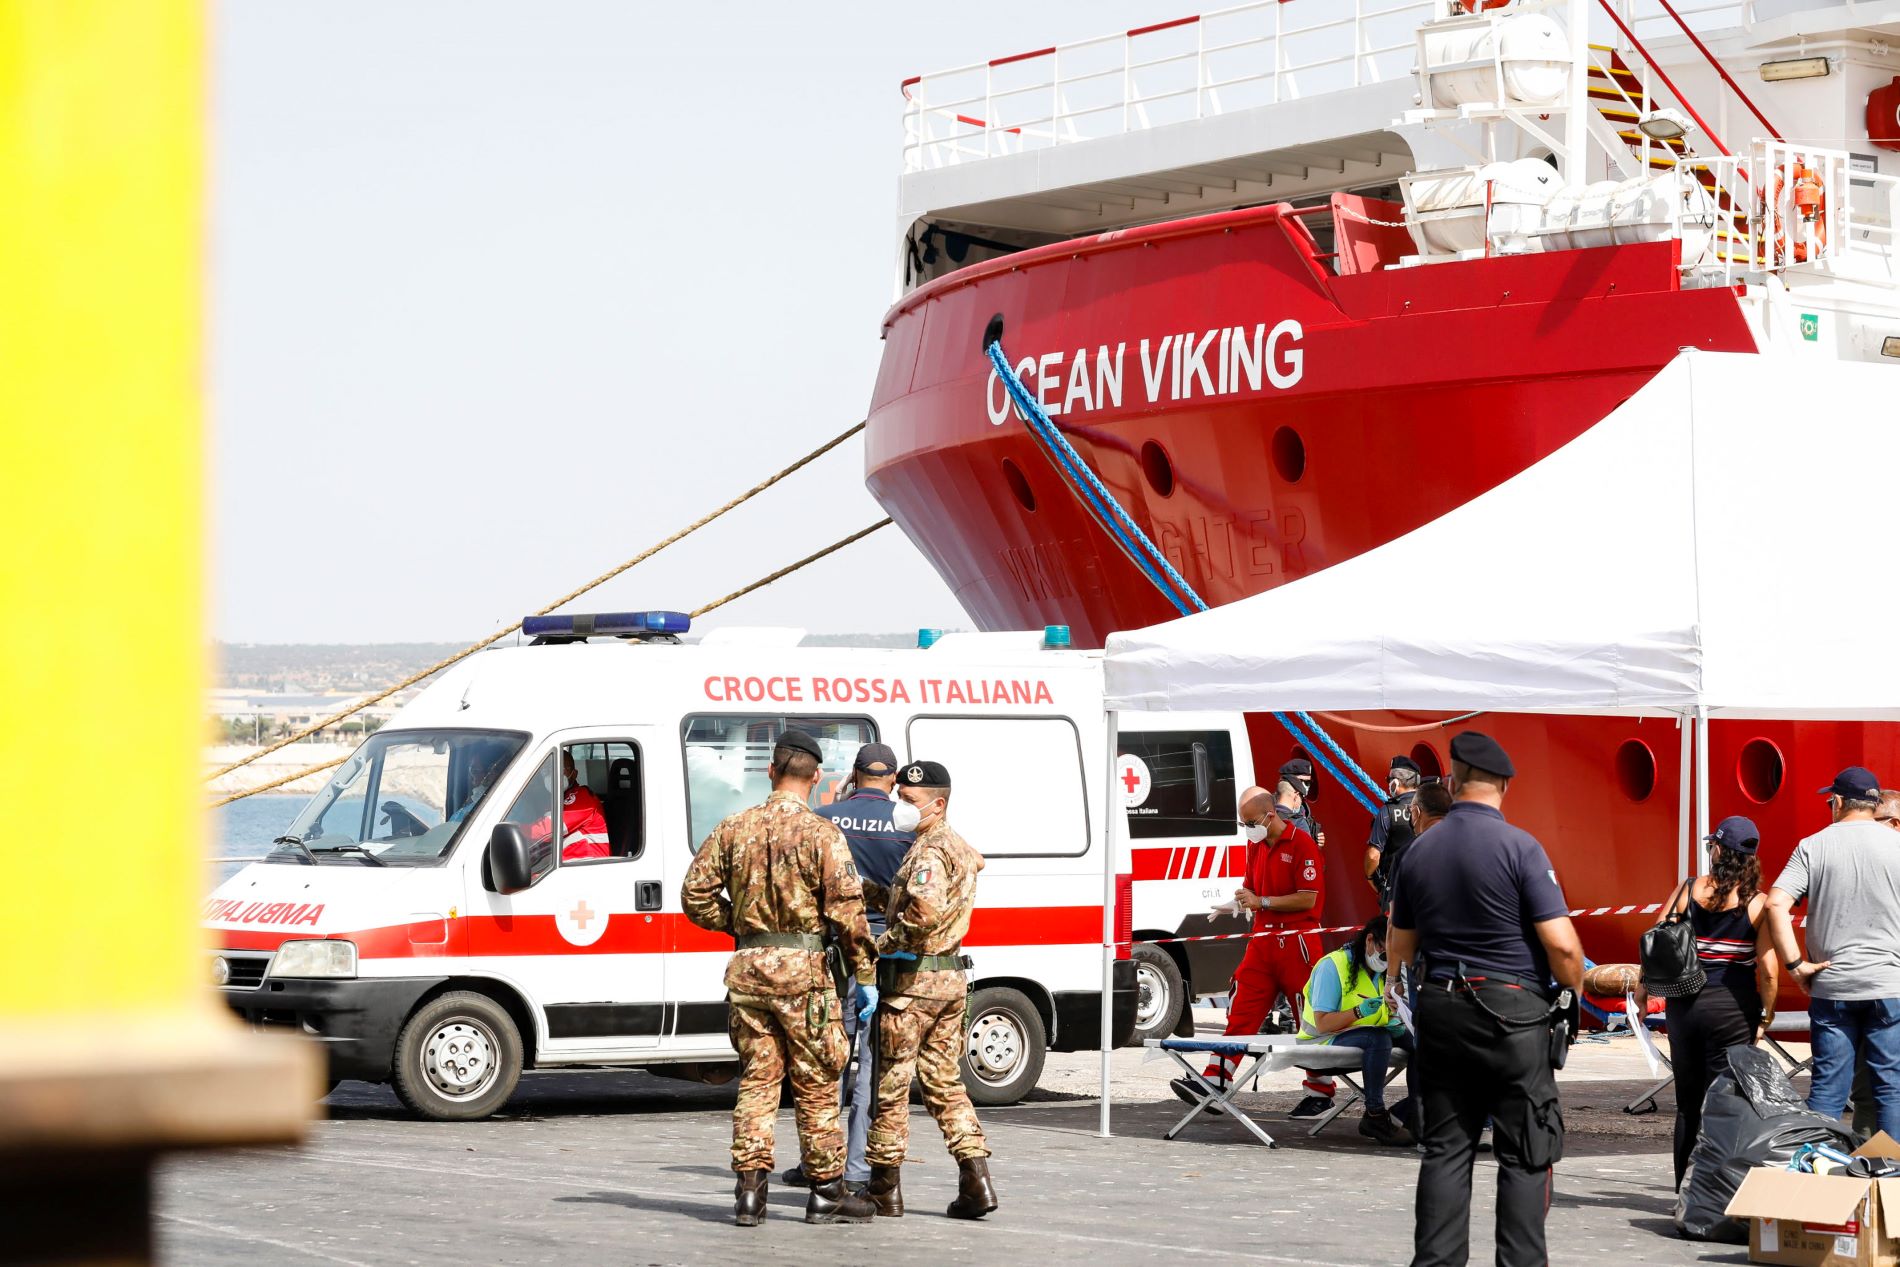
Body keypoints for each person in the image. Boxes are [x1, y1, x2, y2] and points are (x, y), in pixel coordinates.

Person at [1387, 731, 1584, 1267]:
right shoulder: (1521, 847)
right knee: (1525, 1153)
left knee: (1446, 1150)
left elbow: (1399, 947)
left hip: (1443, 1009)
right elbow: (1563, 946)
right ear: (1504, 787)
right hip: (1511, 1014)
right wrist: (1575, 991)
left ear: (1451, 782)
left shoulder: (1419, 850)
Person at [679, 729, 879, 1227]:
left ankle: (750, 1192)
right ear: (816, 778)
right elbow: (848, 912)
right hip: (805, 977)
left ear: (770, 771)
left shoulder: (732, 828)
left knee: (759, 1081)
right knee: (815, 1084)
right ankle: (827, 1192)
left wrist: (743, 926)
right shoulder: (822, 835)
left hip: (748, 974)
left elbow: (694, 895)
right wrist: (865, 973)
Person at [864, 760, 997, 1220]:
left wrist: (880, 944)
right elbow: (929, 894)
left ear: (937, 804)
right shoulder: (954, 846)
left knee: (892, 1086)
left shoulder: (927, 850)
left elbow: (921, 914)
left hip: (913, 986)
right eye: (899, 797)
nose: (900, 807)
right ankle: (976, 1180)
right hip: (948, 984)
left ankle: (884, 1187)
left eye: (910, 801)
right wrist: (871, 893)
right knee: (944, 1084)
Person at [782, 742, 913, 1194]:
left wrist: (838, 800)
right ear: (893, 780)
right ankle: (856, 1168)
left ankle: (817, 1162)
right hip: (887, 961)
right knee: (871, 1071)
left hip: (834, 956)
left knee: (825, 1064)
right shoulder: (907, 821)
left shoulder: (826, 818)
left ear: (854, 774)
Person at [1635, 815, 1778, 1189]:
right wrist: (1766, 1014)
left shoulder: (1689, 889)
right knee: (1726, 1106)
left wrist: (1641, 991)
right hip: (1733, 1010)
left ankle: (1684, 1189)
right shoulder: (1758, 903)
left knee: (1687, 1104)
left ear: (1717, 848)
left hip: (1684, 1006)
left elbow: (1656, 941)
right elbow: (1767, 969)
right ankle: (1716, 1193)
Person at [1169, 784, 1326, 1112]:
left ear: (1270, 816)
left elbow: (1308, 897)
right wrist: (1235, 904)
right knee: (1241, 1009)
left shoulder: (1302, 844)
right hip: (1263, 940)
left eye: (1250, 822)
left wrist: (1262, 901)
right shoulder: (1256, 847)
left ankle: (1320, 1091)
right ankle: (1216, 1081)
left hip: (1297, 942)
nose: (1247, 830)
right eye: (1243, 824)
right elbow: (1251, 890)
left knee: (1307, 1015)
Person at [1764, 765, 1900, 1139]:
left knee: (1826, 1091)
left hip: (1831, 984)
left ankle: (1818, 1174)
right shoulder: (1896, 843)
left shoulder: (1813, 845)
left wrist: (1795, 966)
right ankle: (1891, 1180)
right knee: (1891, 1089)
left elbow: (1776, 905)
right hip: (1889, 985)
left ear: (1837, 802)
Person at [1297, 914, 1416, 1146]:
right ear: (1369, 940)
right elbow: (1322, 1023)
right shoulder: (1333, 966)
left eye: (1392, 958)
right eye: (1384, 954)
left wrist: (1396, 1013)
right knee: (1378, 1038)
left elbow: (1384, 1016)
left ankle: (1416, 1112)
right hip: (1324, 1039)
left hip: (1365, 1033)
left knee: (1421, 1043)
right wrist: (1359, 1012)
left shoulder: (1383, 973)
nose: (1386, 962)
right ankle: (1375, 1114)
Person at [526, 750, 611, 861]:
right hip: (568, 863)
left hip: (586, 865)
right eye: (547, 770)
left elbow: (547, 830)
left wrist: (517, 830)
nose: (552, 774)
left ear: (574, 774)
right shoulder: (558, 798)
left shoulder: (582, 797)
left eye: (560, 769)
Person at [1367, 756, 1423, 909]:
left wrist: (1371, 878)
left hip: (1396, 889)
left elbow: (1373, 855)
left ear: (1395, 782)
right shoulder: (1430, 807)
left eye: (1388, 779)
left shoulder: (1388, 811)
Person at [1278, 758, 1326, 848]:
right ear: (1290, 780)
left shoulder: (1304, 806)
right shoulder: (1271, 806)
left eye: (1309, 782)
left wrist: (1317, 841)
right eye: (1305, 782)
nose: (1307, 787)